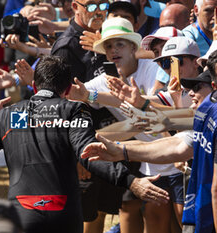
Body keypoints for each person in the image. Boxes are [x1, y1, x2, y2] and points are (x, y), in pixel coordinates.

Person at [0, 55, 169, 233]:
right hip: (63, 214)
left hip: (22, 213)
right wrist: (132, 182)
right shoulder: (74, 109)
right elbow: (89, 154)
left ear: (34, 84)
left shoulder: (10, 115)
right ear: (68, 90)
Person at [81, 59, 217, 232]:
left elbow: (216, 189)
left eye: (198, 87)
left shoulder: (208, 110)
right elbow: (177, 142)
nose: (191, 93)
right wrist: (122, 150)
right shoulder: (206, 110)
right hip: (200, 211)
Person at [50, 0, 109, 82]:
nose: (99, 11)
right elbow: (65, 93)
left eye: (103, 5)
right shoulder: (66, 48)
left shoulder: (110, 34)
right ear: (75, 7)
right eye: (91, 7)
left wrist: (105, 50)